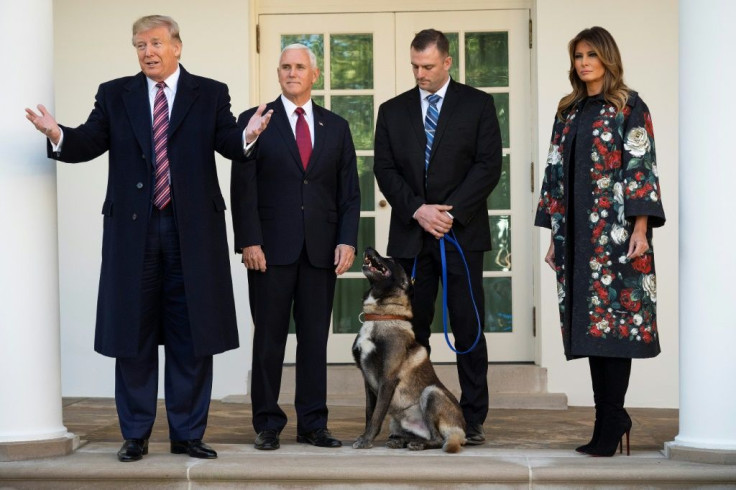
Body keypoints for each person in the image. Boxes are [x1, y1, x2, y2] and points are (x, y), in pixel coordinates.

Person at [25, 15, 272, 462]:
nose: (147, 52)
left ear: (177, 46)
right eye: (139, 45)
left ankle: (187, 433)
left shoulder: (210, 93)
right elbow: (88, 141)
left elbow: (230, 143)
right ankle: (135, 433)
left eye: (155, 43)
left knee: (191, 333)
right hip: (133, 231)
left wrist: (248, 134)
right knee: (134, 333)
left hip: (191, 232)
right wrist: (57, 133)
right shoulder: (115, 93)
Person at [535, 26, 665, 457]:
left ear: (607, 57)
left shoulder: (629, 106)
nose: (584, 62)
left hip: (615, 237)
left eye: (592, 54)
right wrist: (555, 235)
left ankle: (612, 420)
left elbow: (640, 169)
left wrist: (641, 229)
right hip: (576, 238)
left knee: (615, 327)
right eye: (578, 56)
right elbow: (554, 173)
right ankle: (606, 420)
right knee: (590, 332)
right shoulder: (568, 110)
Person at [373, 29, 502, 445]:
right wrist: (418, 209)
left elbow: (488, 165)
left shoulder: (478, 104)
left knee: (468, 328)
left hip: (460, 234)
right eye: (414, 66)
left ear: (447, 62)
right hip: (412, 236)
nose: (420, 73)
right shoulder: (392, 111)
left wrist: (449, 213)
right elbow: (385, 169)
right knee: (413, 333)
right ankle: (408, 418)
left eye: (427, 66)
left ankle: (473, 417)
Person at [230, 44, 360, 451]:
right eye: (285, 67)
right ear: (278, 72)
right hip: (268, 251)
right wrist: (249, 239)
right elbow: (242, 185)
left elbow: (350, 192)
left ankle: (313, 424)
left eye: (299, 67)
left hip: (320, 251)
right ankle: (267, 423)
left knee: (313, 340)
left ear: (314, 75)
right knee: (268, 340)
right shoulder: (254, 121)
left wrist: (347, 239)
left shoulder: (336, 127)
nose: (292, 73)